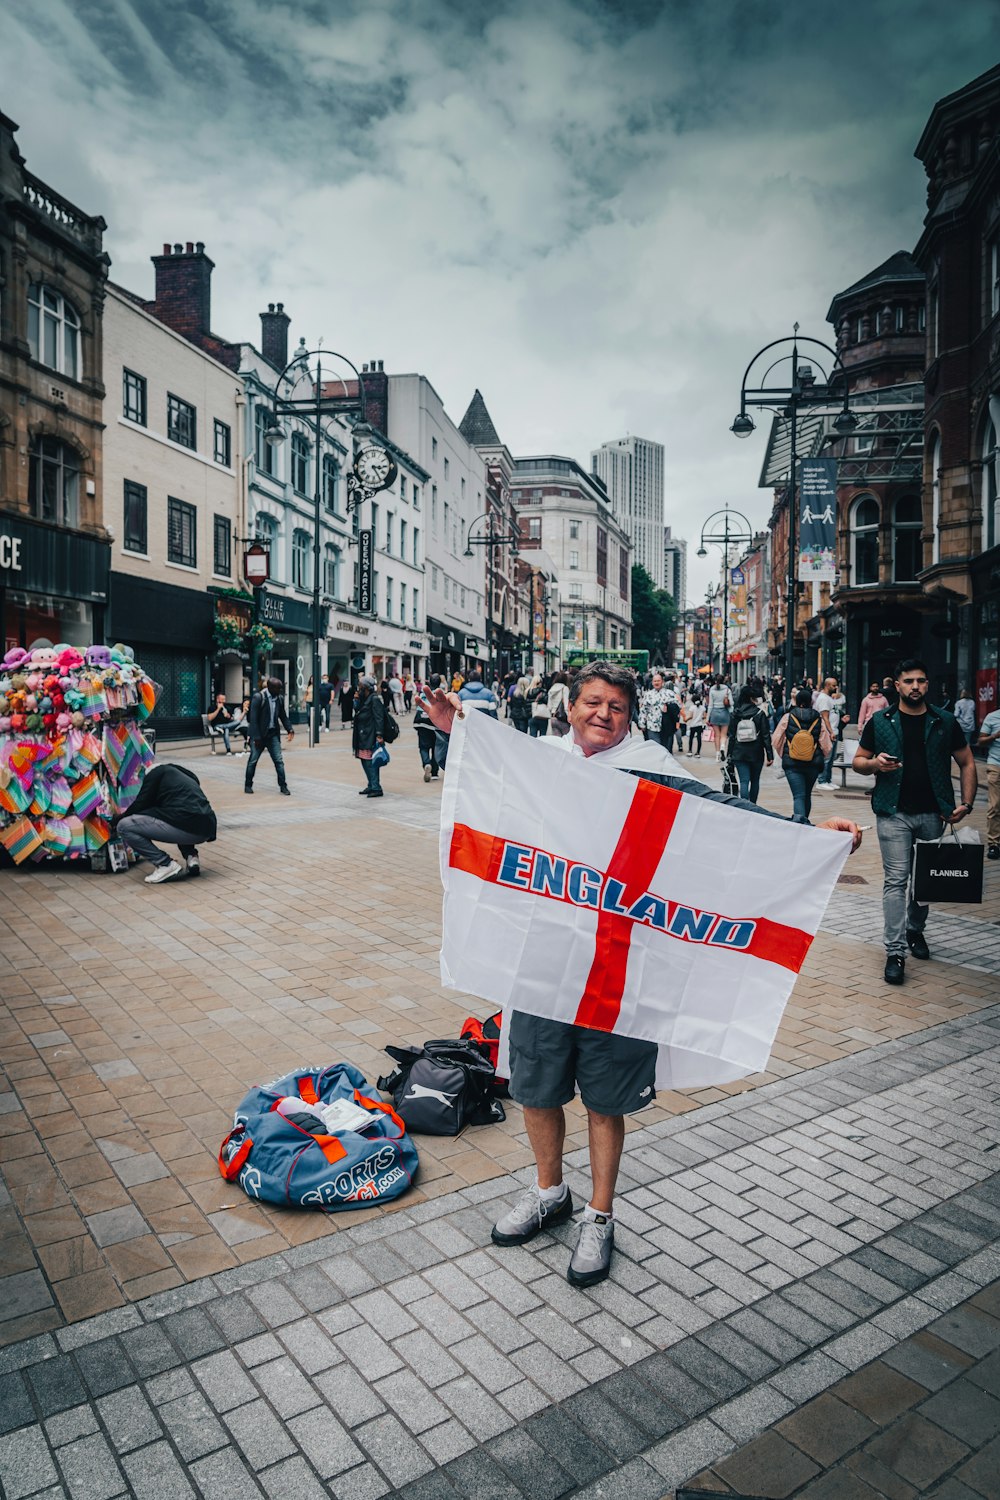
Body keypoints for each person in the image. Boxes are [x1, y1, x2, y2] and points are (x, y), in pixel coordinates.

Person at [418, 662, 860, 1287]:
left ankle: (599, 1214)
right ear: (568, 708)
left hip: (621, 971)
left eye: (616, 708)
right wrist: (454, 732)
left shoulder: (654, 767)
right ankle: (549, 1193)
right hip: (543, 962)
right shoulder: (541, 760)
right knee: (536, 1087)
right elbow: (487, 779)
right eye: (592, 703)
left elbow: (727, 818)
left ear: (631, 717)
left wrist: (809, 833)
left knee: (606, 1099)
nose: (602, 714)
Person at [853, 659, 976, 984]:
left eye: (921, 680)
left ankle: (915, 930)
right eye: (909, 681)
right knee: (896, 881)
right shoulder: (881, 721)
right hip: (893, 814)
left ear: (927, 684)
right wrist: (876, 764)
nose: (916, 686)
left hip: (934, 814)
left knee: (924, 883)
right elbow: (858, 762)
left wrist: (966, 802)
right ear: (896, 684)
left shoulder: (944, 721)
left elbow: (966, 761)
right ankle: (895, 952)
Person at [117, 763, 217, 885]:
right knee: (176, 813)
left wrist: (116, 820)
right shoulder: (180, 776)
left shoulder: (155, 775)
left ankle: (165, 864)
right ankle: (191, 857)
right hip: (207, 827)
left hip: (187, 825)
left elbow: (140, 804)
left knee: (124, 826)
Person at [772, 688, 832, 824]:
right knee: (807, 795)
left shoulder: (788, 716)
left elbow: (776, 739)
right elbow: (826, 744)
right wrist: (819, 754)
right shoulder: (818, 718)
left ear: (797, 701)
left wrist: (784, 753)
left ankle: (800, 826)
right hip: (812, 764)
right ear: (810, 702)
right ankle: (805, 823)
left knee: (798, 796)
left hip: (792, 764)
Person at [245, 677, 294, 795]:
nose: (280, 691)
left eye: (280, 688)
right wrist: (256, 737)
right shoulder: (258, 697)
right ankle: (248, 785)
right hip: (259, 736)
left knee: (279, 761)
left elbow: (283, 716)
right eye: (278, 688)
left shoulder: (279, 699)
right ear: (270, 687)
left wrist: (290, 729)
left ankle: (283, 786)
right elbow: (253, 719)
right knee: (253, 761)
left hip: (272, 735)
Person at [728, 683, 774, 803]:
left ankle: (744, 805)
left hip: (739, 751)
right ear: (751, 698)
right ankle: (753, 806)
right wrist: (770, 755)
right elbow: (765, 736)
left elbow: (731, 736)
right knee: (755, 781)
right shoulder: (759, 714)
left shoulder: (735, 714)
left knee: (744, 781)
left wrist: (729, 754)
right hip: (756, 752)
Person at [353, 677, 388, 797]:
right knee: (364, 760)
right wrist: (356, 700)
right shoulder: (364, 699)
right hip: (362, 735)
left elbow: (379, 718)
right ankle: (371, 784)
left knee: (371, 762)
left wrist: (379, 735)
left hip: (370, 735)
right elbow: (357, 711)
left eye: (361, 686)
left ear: (366, 688)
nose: (359, 688)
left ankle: (376, 787)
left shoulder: (374, 699)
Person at [978, 699, 1000, 861]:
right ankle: (994, 844)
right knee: (995, 805)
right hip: (996, 766)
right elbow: (981, 741)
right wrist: (996, 735)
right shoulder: (992, 717)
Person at [813, 677, 841, 788]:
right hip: (828, 733)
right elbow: (825, 717)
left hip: (833, 731)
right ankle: (822, 780)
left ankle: (827, 780)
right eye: (834, 685)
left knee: (830, 758)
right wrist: (830, 732)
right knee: (826, 758)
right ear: (827, 685)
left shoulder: (829, 698)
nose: (836, 687)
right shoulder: (824, 698)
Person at [413, 691, 440, 782]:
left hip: (421, 723)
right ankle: (435, 773)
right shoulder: (440, 695)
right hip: (434, 725)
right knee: (435, 748)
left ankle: (426, 763)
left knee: (423, 747)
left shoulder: (422, 695)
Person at [638, 671, 670, 744]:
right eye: (655, 681)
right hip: (652, 725)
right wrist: (642, 723)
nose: (656, 683)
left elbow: (677, 708)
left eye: (658, 681)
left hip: (666, 726)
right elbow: (643, 710)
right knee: (655, 747)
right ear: (652, 683)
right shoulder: (648, 695)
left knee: (665, 749)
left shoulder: (669, 694)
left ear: (662, 682)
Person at [706, 675, 733, 758]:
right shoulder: (727, 689)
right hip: (725, 713)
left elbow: (710, 705)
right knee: (723, 735)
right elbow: (731, 703)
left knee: (716, 735)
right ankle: (722, 747)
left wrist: (707, 717)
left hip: (714, 713)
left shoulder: (712, 689)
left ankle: (717, 753)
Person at [547, 671, 571, 738]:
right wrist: (569, 717)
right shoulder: (565, 688)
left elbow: (549, 706)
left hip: (553, 717)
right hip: (562, 717)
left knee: (557, 739)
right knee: (566, 739)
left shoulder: (551, 689)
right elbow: (566, 705)